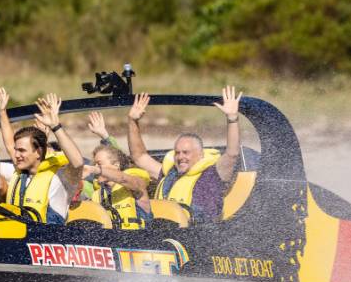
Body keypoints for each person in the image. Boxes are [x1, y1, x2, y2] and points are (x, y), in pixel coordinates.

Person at [127, 85, 242, 223]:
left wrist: (232, 118)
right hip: (162, 235)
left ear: (200, 155)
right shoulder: (169, 173)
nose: (180, 157)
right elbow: (139, 157)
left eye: (186, 152)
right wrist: (132, 121)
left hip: (199, 238)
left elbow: (232, 153)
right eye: (177, 153)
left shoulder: (213, 175)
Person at [0, 93, 85, 224]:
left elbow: (78, 163)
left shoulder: (60, 178)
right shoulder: (17, 172)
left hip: (45, 239)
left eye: (22, 150)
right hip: (14, 238)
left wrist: (55, 126)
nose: (16, 155)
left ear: (38, 152)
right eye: (16, 151)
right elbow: (10, 145)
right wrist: (2, 112)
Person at [82, 133, 152, 230]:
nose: (96, 167)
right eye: (95, 164)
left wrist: (97, 170)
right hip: (110, 241)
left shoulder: (137, 183)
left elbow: (123, 178)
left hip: (140, 240)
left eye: (99, 164)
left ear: (116, 165)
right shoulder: (97, 195)